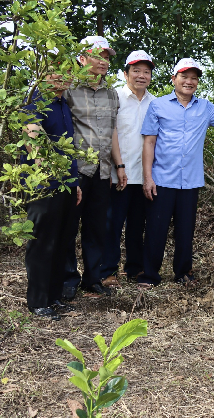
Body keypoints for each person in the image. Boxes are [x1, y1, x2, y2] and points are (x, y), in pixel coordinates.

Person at [138, 58, 214, 287]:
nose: (189, 81)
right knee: (156, 229)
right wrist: (148, 178)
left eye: (194, 77)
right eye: (184, 76)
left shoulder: (205, 108)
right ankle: (149, 276)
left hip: (190, 182)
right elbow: (149, 143)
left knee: (186, 231)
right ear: (173, 79)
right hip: (162, 179)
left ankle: (183, 273)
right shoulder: (158, 106)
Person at [62, 36, 123, 300]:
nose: (103, 61)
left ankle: (92, 278)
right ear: (82, 58)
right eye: (98, 56)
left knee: (97, 227)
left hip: (102, 170)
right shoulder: (68, 90)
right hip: (76, 170)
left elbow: (112, 133)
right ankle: (67, 279)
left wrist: (118, 166)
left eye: (107, 57)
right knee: (68, 226)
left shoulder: (111, 93)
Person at [22, 72, 82, 320]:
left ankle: (54, 295)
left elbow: (69, 148)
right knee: (42, 243)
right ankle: (38, 301)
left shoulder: (63, 102)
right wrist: (47, 175)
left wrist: (75, 183)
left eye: (68, 70)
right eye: (57, 69)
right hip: (45, 185)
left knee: (62, 241)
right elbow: (32, 139)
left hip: (67, 184)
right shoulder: (35, 100)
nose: (63, 76)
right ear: (44, 72)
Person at [100, 51, 156, 287]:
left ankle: (134, 268)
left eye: (146, 72)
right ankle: (107, 270)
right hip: (117, 174)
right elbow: (108, 133)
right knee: (112, 225)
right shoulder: (115, 98)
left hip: (144, 175)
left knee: (137, 225)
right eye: (136, 71)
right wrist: (118, 166)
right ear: (125, 74)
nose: (141, 76)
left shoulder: (156, 103)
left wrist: (149, 176)